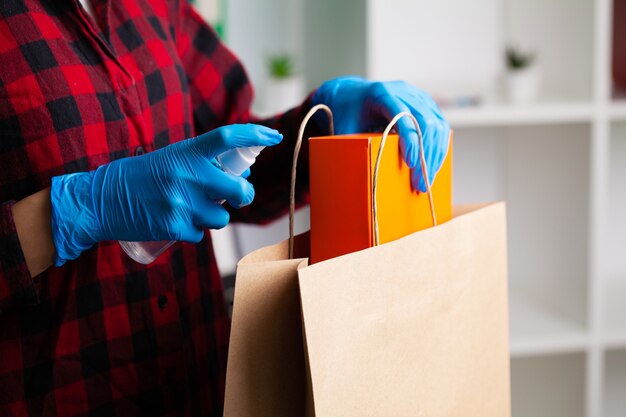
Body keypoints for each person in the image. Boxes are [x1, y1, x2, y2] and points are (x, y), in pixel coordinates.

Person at [0, 0, 450, 415]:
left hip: (203, 386)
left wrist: (321, 124)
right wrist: (72, 212)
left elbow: (233, 154)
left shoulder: (155, 6)